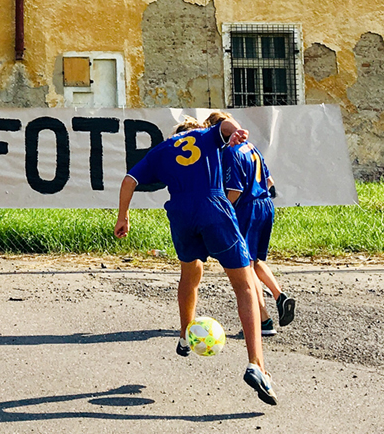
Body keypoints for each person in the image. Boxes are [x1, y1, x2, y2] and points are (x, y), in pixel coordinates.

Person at [115, 113, 277, 406]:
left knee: (190, 274)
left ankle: (183, 335)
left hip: (180, 214)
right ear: (198, 130)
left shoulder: (162, 149)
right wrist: (236, 131)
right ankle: (257, 365)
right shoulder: (206, 136)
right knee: (244, 286)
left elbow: (129, 180)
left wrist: (123, 216)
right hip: (213, 205)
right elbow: (225, 125)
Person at [205, 111, 295, 336]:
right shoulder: (251, 147)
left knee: (244, 264)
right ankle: (279, 295)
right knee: (257, 261)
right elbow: (270, 181)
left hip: (247, 207)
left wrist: (223, 210)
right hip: (265, 204)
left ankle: (262, 321)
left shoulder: (230, 152)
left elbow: (234, 189)